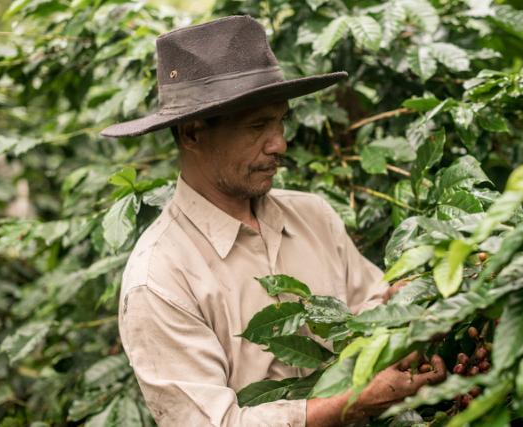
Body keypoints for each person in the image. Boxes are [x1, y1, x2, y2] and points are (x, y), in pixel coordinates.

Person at [101, 15, 446, 427]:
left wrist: (411, 316)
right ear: (192, 134)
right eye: (257, 126)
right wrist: (352, 403)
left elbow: (367, 314)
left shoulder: (313, 215)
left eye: (281, 120)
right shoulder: (159, 278)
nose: (279, 143)